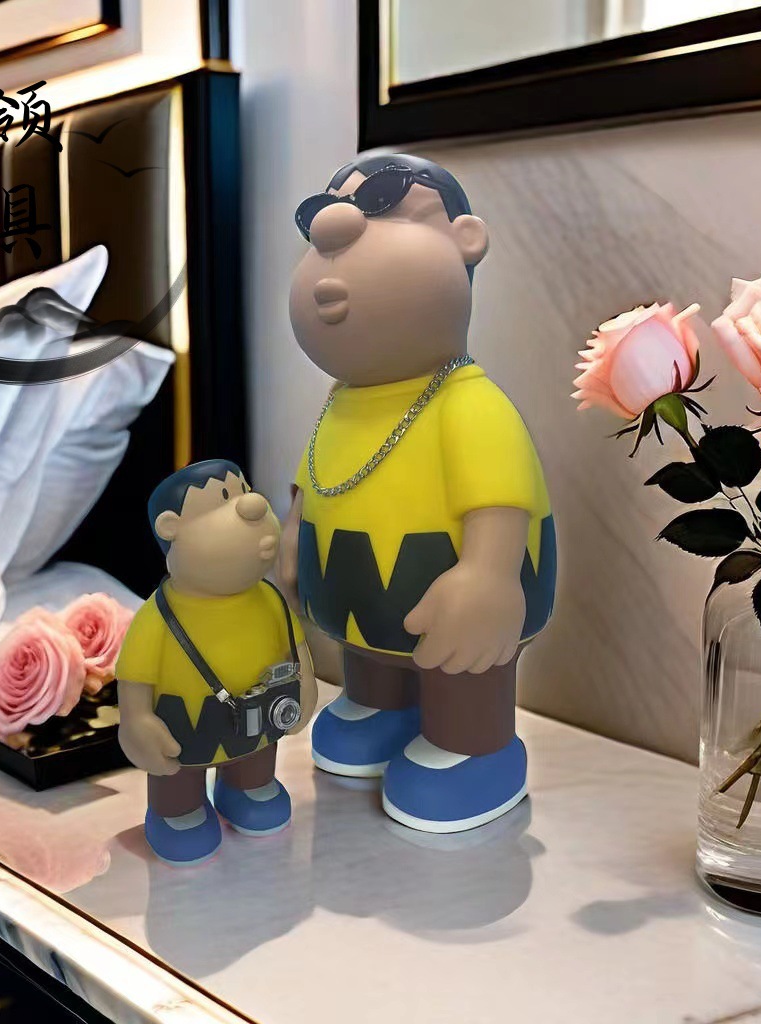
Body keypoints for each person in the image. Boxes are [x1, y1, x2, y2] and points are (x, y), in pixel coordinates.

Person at [280, 154, 556, 834]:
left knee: (463, 664)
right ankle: (382, 706)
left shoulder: (468, 402)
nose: (336, 227)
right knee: (370, 659)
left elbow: (501, 496)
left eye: (384, 205)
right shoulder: (342, 403)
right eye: (321, 216)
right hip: (359, 598)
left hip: (457, 606)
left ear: (465, 241)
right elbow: (315, 477)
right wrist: (292, 539)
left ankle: (477, 745)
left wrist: (489, 572)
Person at [117, 459, 318, 866]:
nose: (252, 505)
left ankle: (247, 788)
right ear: (171, 529)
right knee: (178, 773)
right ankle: (176, 810)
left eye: (243, 490)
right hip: (184, 722)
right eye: (223, 499)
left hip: (259, 717)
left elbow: (295, 648)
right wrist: (136, 720)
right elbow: (133, 678)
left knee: (256, 757)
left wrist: (306, 685)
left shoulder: (269, 599)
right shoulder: (159, 616)